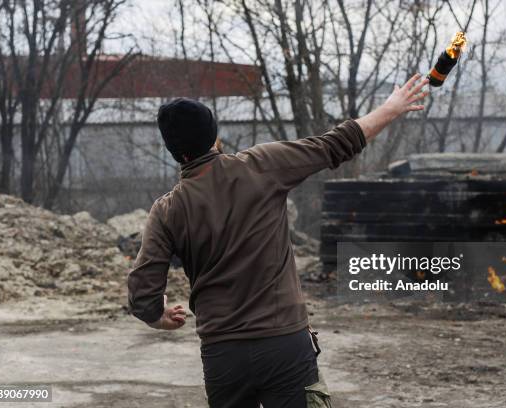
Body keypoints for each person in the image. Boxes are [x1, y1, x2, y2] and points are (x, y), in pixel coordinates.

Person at [127, 74, 430, 407]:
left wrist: (158, 316)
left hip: (224, 356)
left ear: (174, 151)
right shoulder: (260, 166)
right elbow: (336, 144)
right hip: (285, 344)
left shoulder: (167, 209)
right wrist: (391, 108)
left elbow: (143, 292)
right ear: (215, 135)